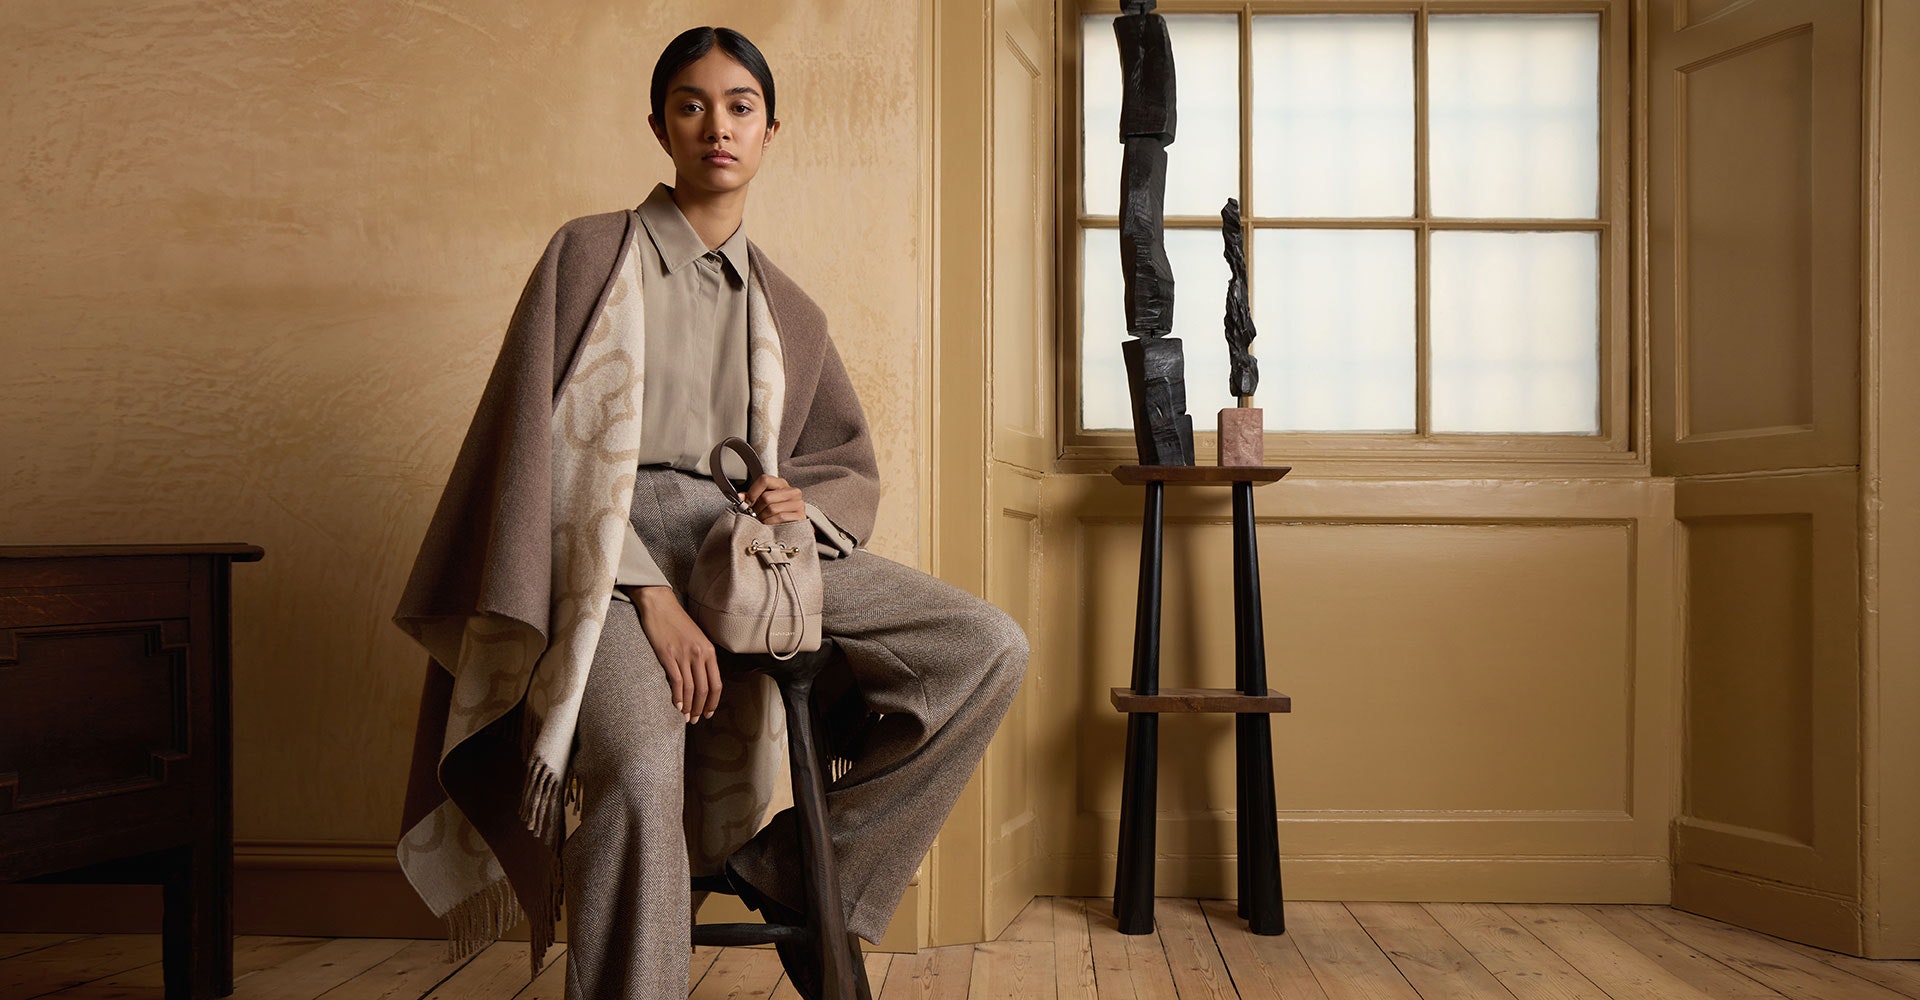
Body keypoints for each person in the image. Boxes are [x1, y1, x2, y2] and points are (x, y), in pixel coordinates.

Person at [391, 25, 1029, 1000]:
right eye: (692, 105)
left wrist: (796, 498)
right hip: (606, 563)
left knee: (985, 644)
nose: (716, 126)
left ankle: (799, 870)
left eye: (740, 107)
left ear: (771, 130)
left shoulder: (790, 308)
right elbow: (542, 451)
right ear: (660, 126)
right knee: (641, 773)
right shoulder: (588, 256)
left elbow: (841, 458)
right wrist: (649, 594)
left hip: (745, 557)